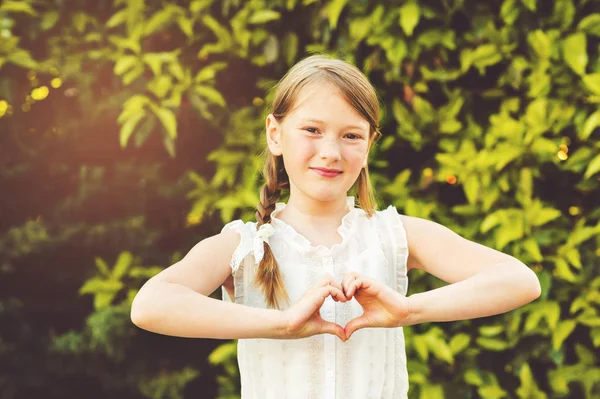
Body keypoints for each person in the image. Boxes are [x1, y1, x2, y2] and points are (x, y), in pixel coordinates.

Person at [130, 54, 541, 398]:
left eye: (351, 136)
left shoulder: (394, 235)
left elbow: (519, 280)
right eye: (312, 130)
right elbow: (150, 305)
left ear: (368, 145)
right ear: (275, 134)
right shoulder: (244, 245)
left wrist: (408, 311)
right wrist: (283, 324)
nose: (330, 152)